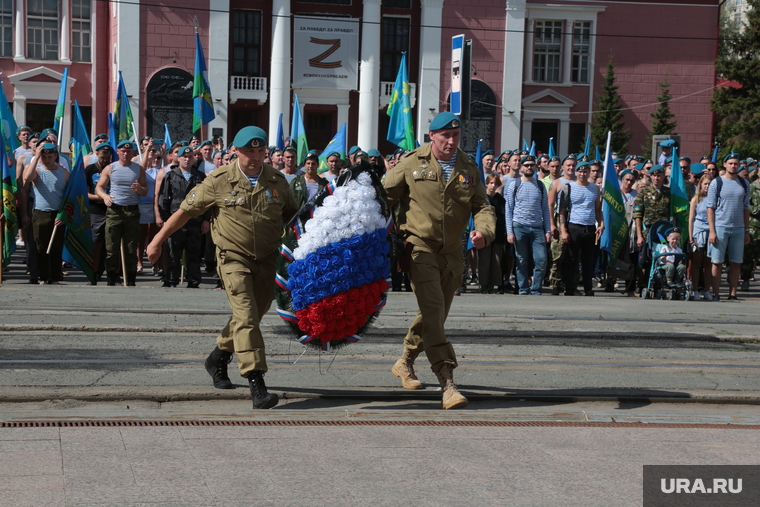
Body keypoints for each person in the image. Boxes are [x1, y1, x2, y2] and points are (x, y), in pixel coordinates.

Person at [148, 126, 297, 409]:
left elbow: (292, 218)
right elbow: (184, 212)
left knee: (252, 314)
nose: (254, 157)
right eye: (248, 151)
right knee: (247, 315)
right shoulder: (218, 180)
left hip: (267, 259)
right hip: (233, 258)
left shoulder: (277, 181)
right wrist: (157, 240)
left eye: (260, 151)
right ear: (236, 152)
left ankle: (218, 356)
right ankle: (256, 382)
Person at [383, 112, 496, 410]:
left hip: (452, 253)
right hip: (418, 247)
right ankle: (447, 382)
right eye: (445, 135)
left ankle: (405, 361)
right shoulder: (410, 163)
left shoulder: (468, 167)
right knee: (433, 309)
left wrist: (484, 230)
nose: (451, 141)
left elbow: (482, 205)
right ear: (431, 135)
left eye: (456, 136)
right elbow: (383, 198)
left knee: (436, 314)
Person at [95, 140, 148, 286]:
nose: (125, 154)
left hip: (132, 211)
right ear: (118, 152)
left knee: (131, 248)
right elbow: (99, 187)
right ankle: (112, 277)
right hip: (114, 211)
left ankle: (130, 278)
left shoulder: (139, 169)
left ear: (132, 153)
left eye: (128, 151)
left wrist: (139, 189)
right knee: (111, 247)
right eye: (123, 151)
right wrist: (104, 196)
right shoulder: (110, 168)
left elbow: (145, 191)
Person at [157, 145, 209, 288]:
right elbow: (164, 199)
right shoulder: (170, 175)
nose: (187, 159)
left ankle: (193, 281)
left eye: (190, 157)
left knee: (194, 252)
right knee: (173, 253)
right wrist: (166, 219)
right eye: (184, 157)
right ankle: (171, 280)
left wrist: (205, 219)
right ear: (178, 158)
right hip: (176, 219)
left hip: (195, 220)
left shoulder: (200, 176)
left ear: (194, 158)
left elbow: (207, 200)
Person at [20, 143, 69, 284]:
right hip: (40, 212)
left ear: (55, 156)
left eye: (50, 156)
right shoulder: (37, 170)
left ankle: (55, 275)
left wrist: (64, 214)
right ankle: (42, 275)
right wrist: (36, 157)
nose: (47, 160)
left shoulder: (64, 172)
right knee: (40, 246)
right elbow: (27, 178)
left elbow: (69, 195)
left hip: (57, 213)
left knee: (56, 245)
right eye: (44, 157)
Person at [706, 153, 751, 301]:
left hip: (738, 228)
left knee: (736, 263)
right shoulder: (716, 182)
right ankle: (716, 293)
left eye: (736, 163)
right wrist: (712, 231)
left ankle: (733, 294)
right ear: (725, 165)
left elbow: (746, 208)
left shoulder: (744, 184)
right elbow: (710, 208)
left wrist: (746, 230)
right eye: (730, 163)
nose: (733, 166)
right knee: (717, 262)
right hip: (720, 227)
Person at [505, 155, 551, 295]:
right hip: (519, 226)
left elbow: (545, 209)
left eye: (532, 165)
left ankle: (536, 288)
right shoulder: (514, 184)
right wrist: (509, 232)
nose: (529, 167)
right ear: (521, 167)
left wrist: (548, 230)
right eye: (526, 165)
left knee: (541, 260)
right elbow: (509, 209)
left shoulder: (540, 185)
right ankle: (523, 289)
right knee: (521, 259)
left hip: (537, 227)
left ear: (536, 167)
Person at [558, 161, 603, 296]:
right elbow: (562, 211)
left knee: (588, 261)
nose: (583, 174)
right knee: (571, 260)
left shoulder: (595, 188)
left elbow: (598, 209)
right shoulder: (568, 187)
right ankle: (569, 288)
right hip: (574, 226)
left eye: (585, 171)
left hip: (589, 227)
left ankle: (588, 288)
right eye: (580, 171)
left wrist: (601, 224)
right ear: (576, 172)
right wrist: (563, 230)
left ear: (588, 172)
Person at [547, 154, 577, 295]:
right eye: (568, 165)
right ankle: (555, 284)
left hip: (576, 222)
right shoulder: (557, 183)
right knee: (557, 256)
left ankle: (570, 284)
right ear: (563, 167)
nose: (571, 168)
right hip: (559, 222)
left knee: (572, 257)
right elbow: (550, 205)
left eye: (573, 165)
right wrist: (552, 225)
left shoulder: (581, 181)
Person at [84, 143, 114, 283]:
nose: (105, 160)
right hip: (95, 209)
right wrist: (102, 197)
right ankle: (94, 271)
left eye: (107, 158)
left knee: (112, 243)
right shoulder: (90, 170)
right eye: (102, 157)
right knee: (96, 242)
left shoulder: (114, 168)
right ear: (97, 155)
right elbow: (85, 193)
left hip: (112, 209)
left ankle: (112, 272)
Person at [137, 140, 162, 275]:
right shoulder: (143, 170)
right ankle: (139, 262)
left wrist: (162, 153)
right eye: (153, 155)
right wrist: (148, 150)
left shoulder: (160, 171)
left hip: (156, 206)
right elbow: (142, 166)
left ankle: (155, 263)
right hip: (143, 204)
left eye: (158, 157)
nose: (155, 158)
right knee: (141, 236)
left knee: (155, 236)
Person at [477, 174, 505, 293]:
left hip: (498, 232)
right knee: (484, 259)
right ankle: (483, 284)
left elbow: (503, 215)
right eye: (491, 183)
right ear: (486, 184)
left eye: (495, 184)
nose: (493, 186)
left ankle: (493, 284)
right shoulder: (482, 198)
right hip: (485, 231)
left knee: (496, 260)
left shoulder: (501, 200)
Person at [688, 175, 715, 300]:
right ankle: (695, 290)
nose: (707, 186)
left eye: (709, 184)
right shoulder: (696, 199)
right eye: (705, 184)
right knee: (696, 262)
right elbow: (691, 220)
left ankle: (707, 290)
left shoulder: (715, 198)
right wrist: (691, 238)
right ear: (700, 185)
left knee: (708, 263)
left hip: (711, 232)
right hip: (698, 232)